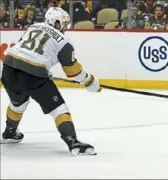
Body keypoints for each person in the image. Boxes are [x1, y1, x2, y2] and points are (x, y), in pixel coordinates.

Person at [0, 7, 101, 156]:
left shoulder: (32, 27)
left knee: (18, 103)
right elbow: (72, 70)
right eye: (64, 24)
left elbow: (24, 50)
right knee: (59, 108)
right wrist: (89, 81)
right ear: (57, 22)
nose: (65, 28)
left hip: (9, 67)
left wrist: (43, 67)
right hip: (34, 75)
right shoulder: (64, 40)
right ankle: (73, 142)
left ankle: (9, 132)